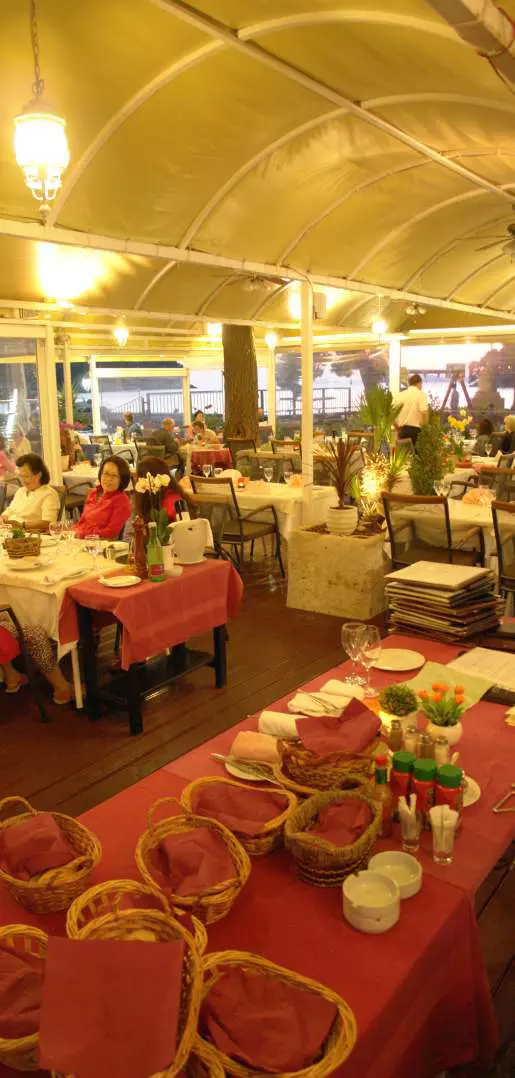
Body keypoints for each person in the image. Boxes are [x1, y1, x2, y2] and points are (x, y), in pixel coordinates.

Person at [74, 455, 132, 539]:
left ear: (121, 480)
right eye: (106, 474)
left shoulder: (122, 500)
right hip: (80, 540)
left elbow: (110, 533)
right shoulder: (93, 493)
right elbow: (81, 523)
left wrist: (83, 534)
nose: (108, 479)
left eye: (114, 475)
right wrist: (72, 532)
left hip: (100, 544)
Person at [0, 453, 59, 532]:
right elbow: (10, 510)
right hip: (9, 531)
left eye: (26, 476)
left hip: (30, 534)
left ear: (38, 475)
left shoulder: (49, 494)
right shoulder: (21, 491)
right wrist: (3, 517)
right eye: (21, 476)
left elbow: (48, 522)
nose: (23, 481)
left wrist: (22, 525)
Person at [393, 374, 429, 445]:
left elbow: (390, 414)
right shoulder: (420, 394)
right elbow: (424, 412)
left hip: (402, 431)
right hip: (416, 432)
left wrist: (397, 427)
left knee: (404, 452)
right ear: (419, 383)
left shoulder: (400, 395)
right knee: (415, 452)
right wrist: (425, 428)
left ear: (409, 383)